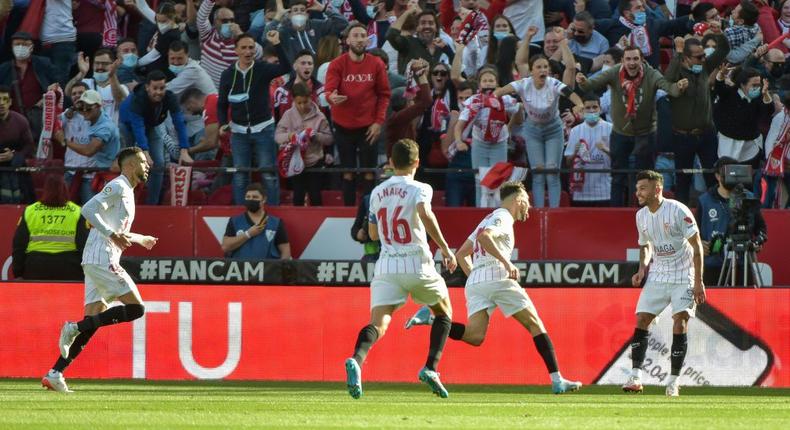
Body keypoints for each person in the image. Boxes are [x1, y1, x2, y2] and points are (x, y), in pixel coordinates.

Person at [405, 181, 583, 394]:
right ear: (518, 200)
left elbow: (462, 254)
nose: (528, 206)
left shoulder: (486, 218)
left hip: (476, 281)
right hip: (497, 276)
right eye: (526, 201)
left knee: (474, 336)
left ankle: (433, 319)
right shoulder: (503, 217)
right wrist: (506, 263)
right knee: (535, 324)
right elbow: (484, 237)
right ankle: (557, 380)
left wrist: (478, 278)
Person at [345, 138, 457, 399]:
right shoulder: (421, 189)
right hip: (417, 262)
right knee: (444, 313)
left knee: (379, 322)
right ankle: (430, 368)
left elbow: (372, 233)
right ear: (417, 163)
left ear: (391, 162)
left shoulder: (377, 192)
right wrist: (445, 247)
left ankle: (357, 359)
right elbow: (425, 214)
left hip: (387, 264)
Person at [42, 147, 158, 393]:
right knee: (136, 308)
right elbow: (87, 209)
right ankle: (72, 328)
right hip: (102, 258)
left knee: (93, 320)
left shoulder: (127, 191)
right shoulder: (117, 186)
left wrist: (140, 238)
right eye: (141, 162)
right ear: (128, 166)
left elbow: (116, 228)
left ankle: (55, 373)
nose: (146, 165)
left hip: (98, 259)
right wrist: (112, 234)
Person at [623, 170, 705, 397]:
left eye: (643, 188)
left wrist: (698, 281)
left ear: (657, 189)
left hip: (684, 274)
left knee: (680, 322)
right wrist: (642, 269)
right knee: (642, 319)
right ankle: (636, 376)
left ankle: (673, 381)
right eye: (637, 188)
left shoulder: (678, 210)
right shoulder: (641, 215)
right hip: (658, 274)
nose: (637, 193)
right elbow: (645, 245)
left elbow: (697, 246)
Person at [577, 46, 688, 206]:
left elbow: (669, 87)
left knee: (645, 177)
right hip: (620, 132)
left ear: (642, 60)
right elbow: (590, 85)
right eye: (628, 59)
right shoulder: (614, 72)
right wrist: (582, 82)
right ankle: (616, 213)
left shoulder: (651, 74)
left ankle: (645, 211)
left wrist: (678, 87)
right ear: (622, 61)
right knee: (618, 176)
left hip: (645, 133)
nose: (632, 62)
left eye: (635, 59)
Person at [496, 53, 584, 208]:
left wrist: (579, 105)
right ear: (531, 71)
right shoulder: (523, 84)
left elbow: (571, 94)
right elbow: (500, 92)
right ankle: (538, 211)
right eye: (539, 67)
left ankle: (554, 211)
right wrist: (492, 97)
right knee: (538, 173)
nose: (543, 70)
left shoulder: (554, 84)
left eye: (545, 67)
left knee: (552, 172)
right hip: (532, 131)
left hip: (553, 130)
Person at [218, 31, 291, 206]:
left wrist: (277, 44)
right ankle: (240, 213)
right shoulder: (227, 74)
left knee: (268, 174)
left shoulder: (262, 68)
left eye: (251, 47)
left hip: (264, 129)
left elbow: (286, 68)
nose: (248, 51)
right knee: (241, 175)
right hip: (239, 131)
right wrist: (222, 124)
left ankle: (274, 212)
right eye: (243, 48)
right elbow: (221, 104)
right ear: (236, 50)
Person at [324, 23, 392, 206]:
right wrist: (332, 97)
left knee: (369, 172)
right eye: (356, 35)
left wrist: (378, 122)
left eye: (363, 35)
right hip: (342, 126)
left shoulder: (376, 63)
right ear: (347, 40)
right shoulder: (337, 64)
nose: (360, 39)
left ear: (368, 40)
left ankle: (369, 213)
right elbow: (329, 90)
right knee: (348, 172)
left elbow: (384, 95)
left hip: (369, 126)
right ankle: (348, 212)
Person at [664, 34, 729, 205]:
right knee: (683, 178)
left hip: (707, 134)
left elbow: (724, 50)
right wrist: (677, 54)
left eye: (703, 55)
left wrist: (717, 33)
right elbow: (667, 79)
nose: (703, 58)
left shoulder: (706, 66)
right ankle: (681, 218)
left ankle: (716, 211)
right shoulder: (677, 70)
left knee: (712, 176)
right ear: (686, 57)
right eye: (698, 57)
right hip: (682, 136)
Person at [119, 70, 193, 205]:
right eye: (155, 88)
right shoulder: (138, 99)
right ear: (147, 87)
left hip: (152, 126)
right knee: (127, 164)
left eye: (162, 88)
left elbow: (179, 122)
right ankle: (124, 202)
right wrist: (145, 152)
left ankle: (152, 204)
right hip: (127, 126)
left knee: (158, 164)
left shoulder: (169, 97)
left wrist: (184, 149)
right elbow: (138, 127)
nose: (159, 92)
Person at [696, 157, 767, 286]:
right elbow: (693, 232)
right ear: (717, 175)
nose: (732, 177)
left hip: (742, 262)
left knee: (746, 302)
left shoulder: (749, 199)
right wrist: (699, 243)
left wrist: (758, 242)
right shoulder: (704, 201)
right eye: (727, 173)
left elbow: (761, 228)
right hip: (713, 263)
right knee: (710, 303)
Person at [12, 175, 88, 281]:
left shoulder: (30, 210)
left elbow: (19, 245)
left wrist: (18, 272)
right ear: (65, 189)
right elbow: (84, 245)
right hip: (69, 266)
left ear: (45, 190)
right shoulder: (77, 211)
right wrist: (87, 272)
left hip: (35, 266)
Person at [274, 82, 333, 206]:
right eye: (298, 103)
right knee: (298, 195)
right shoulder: (288, 115)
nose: (302, 106)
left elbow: (329, 139)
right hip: (295, 162)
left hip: (315, 161)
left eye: (305, 102)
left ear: (310, 98)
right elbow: (277, 136)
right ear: (293, 100)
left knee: (315, 195)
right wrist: (290, 136)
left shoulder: (320, 116)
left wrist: (316, 135)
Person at [564, 93, 612, 206]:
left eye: (595, 107)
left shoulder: (611, 129)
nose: (591, 110)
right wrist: (575, 152)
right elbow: (568, 162)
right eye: (588, 108)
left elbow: (618, 160)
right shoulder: (575, 131)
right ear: (583, 111)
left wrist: (605, 149)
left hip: (605, 191)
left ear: (600, 109)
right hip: (580, 193)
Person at [221, 183, 291, 259]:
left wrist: (281, 268)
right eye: (248, 197)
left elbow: (285, 251)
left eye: (255, 197)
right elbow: (225, 247)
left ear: (264, 199)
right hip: (241, 269)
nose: (251, 199)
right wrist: (248, 234)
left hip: (267, 269)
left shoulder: (276, 223)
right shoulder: (234, 221)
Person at [0, 84, 35, 204]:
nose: (1, 103)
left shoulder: (21, 121)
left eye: (5, 99)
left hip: (16, 169)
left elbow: (29, 146)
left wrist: (14, 156)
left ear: (10, 102)